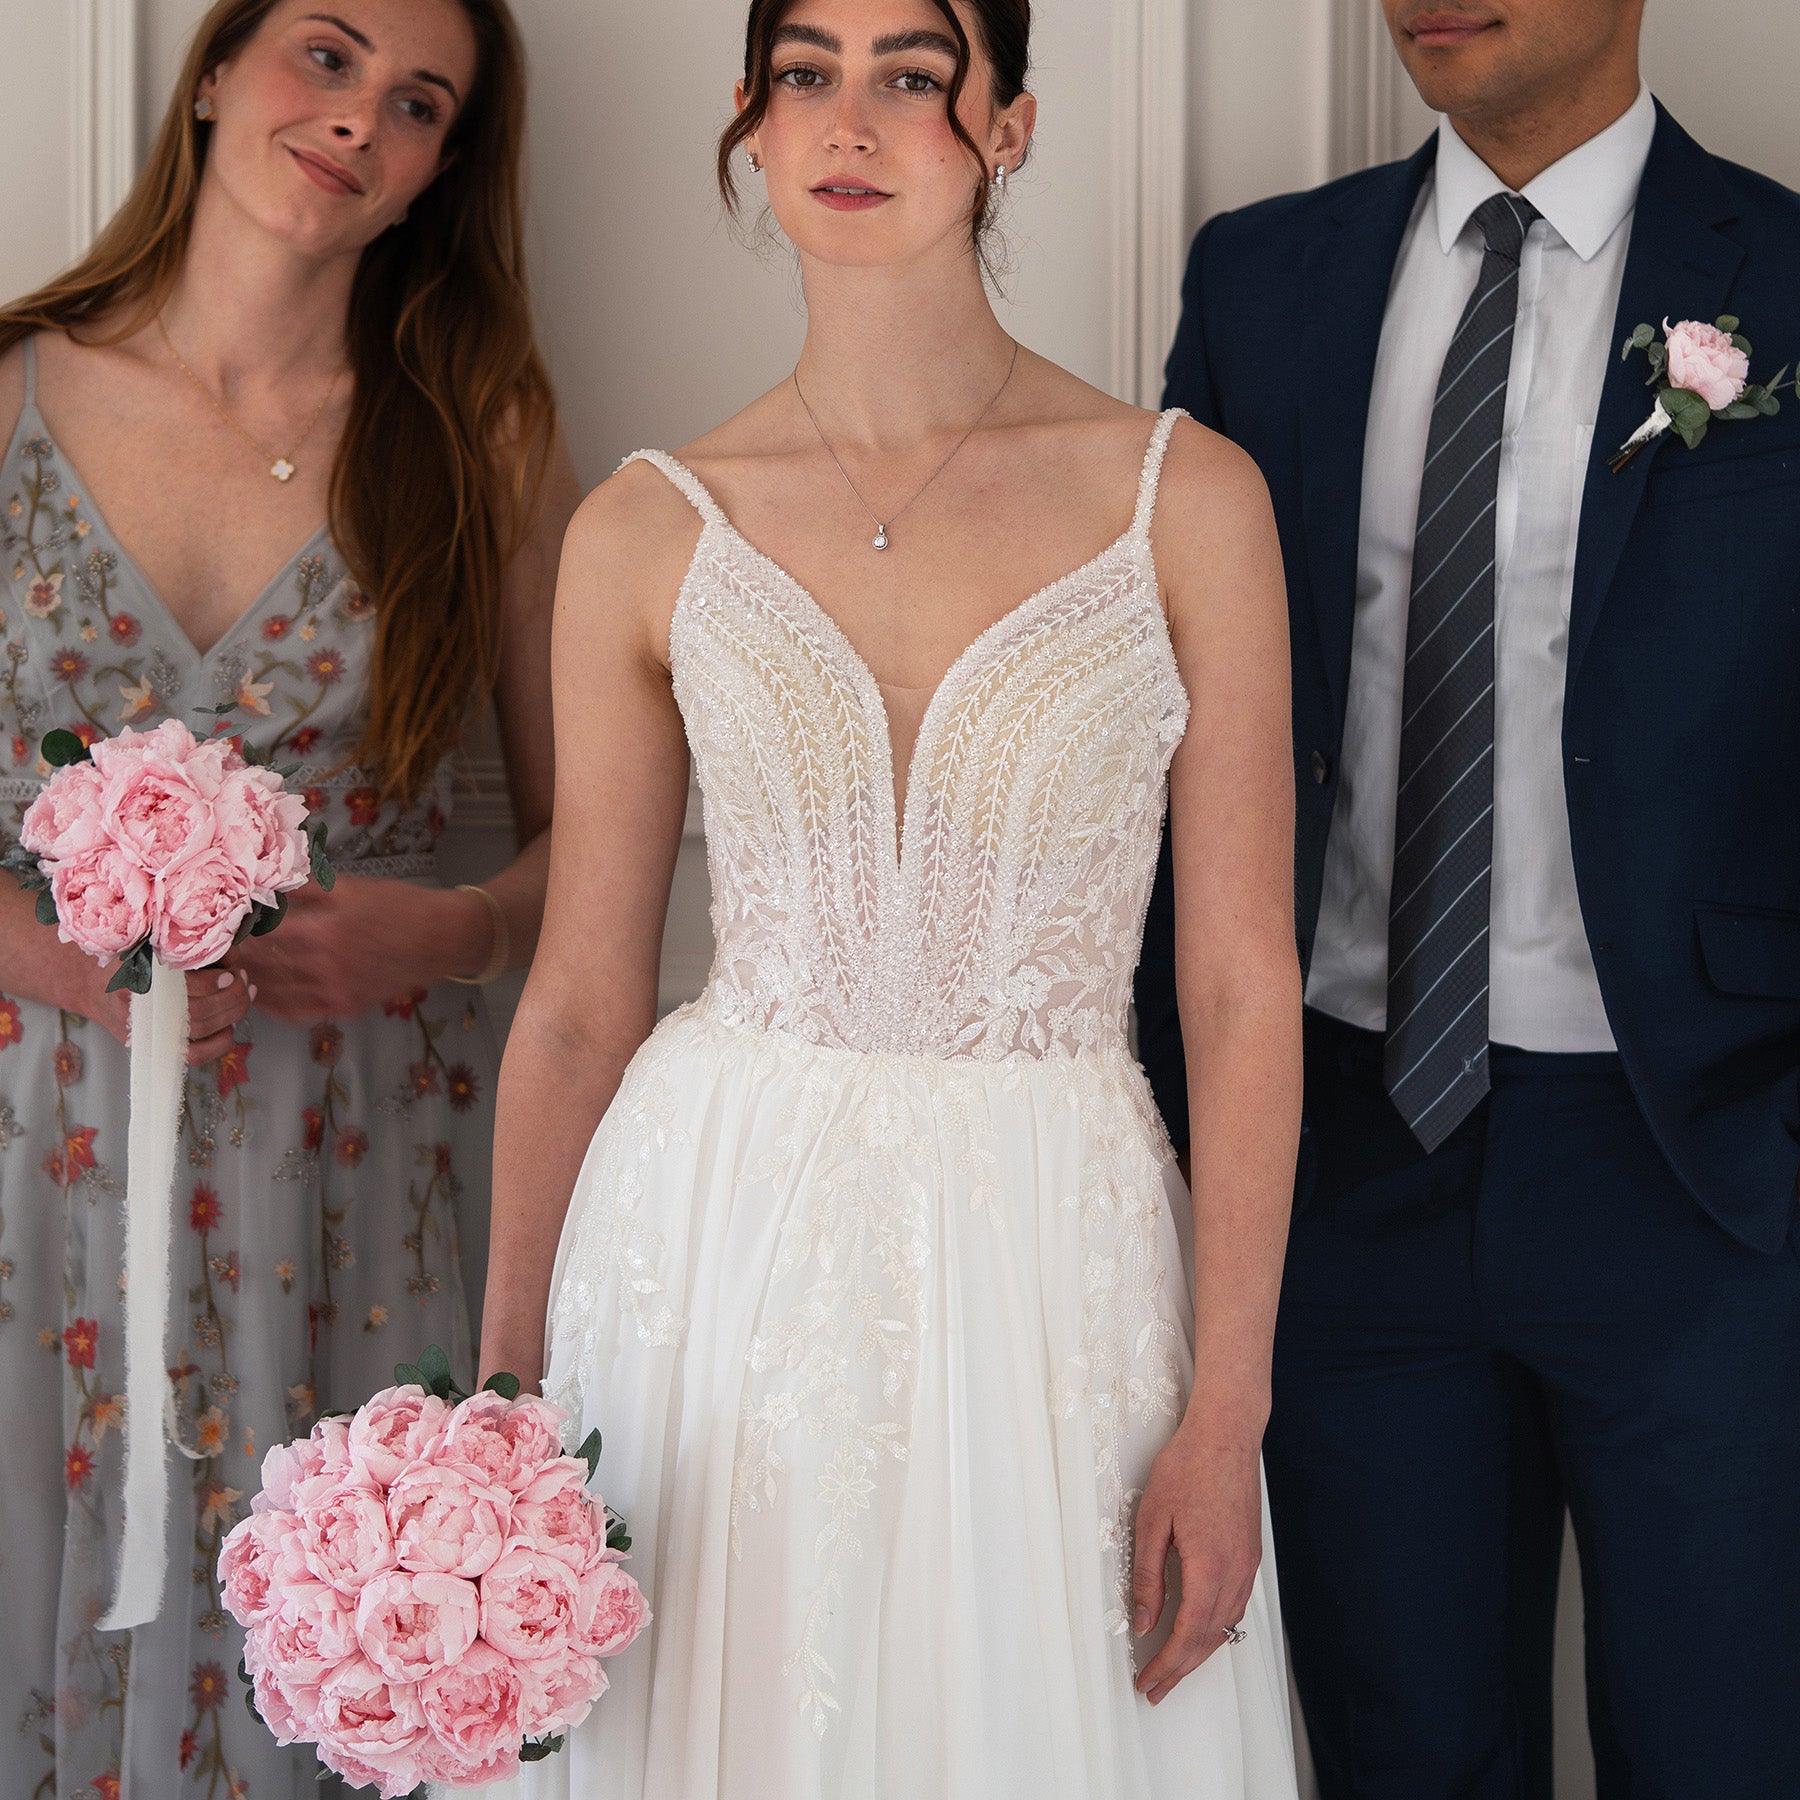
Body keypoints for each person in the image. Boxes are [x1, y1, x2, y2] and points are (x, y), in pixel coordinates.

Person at [475, 1, 1302, 1794]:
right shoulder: (647, 526)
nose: (851, 119)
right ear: (753, 132)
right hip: (712, 1241)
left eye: (914, 76)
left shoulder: (1187, 502)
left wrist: (1229, 1407)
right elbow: (578, 999)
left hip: (1054, 1253)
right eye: (805, 73)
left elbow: (1242, 988)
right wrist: (501, 1403)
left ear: (1005, 128)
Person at [1137, 0, 1800, 1793]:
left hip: (1708, 1173)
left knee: (1728, 1746)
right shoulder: (1264, 276)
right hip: (1348, 1151)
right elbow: (1160, 701)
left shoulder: (1788, 275)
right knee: (1405, 1753)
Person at [0, 0, 579, 1791]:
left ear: (433, 178)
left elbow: (605, 860)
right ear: (214, 73)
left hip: (360, 1146)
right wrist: (47, 954)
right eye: (324, 59)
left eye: (418, 107)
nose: (357, 122)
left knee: (330, 1675)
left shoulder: (471, 434)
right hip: (32, 1131)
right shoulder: (9, 385)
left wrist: (457, 927)